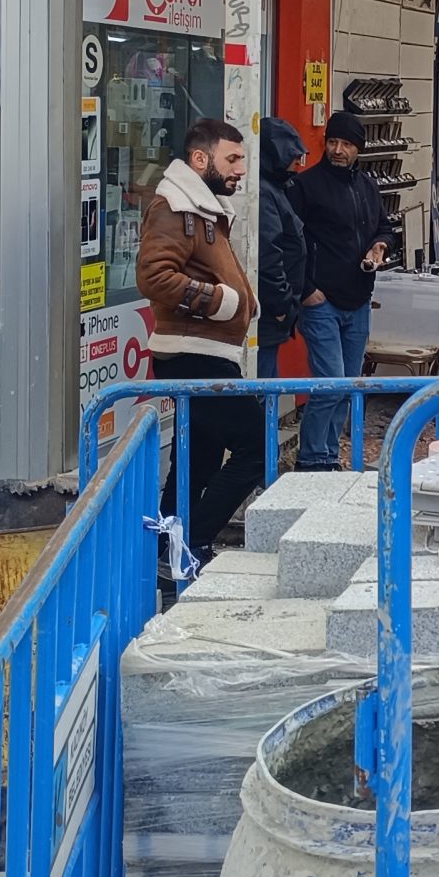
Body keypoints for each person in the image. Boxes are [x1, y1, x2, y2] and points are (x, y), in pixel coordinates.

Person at [137, 118, 263, 558]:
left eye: (241, 160)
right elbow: (154, 276)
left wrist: (237, 302)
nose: (240, 169)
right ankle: (190, 541)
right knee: (258, 446)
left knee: (197, 461)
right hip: (193, 354)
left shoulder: (197, 205)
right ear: (199, 158)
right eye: (232, 159)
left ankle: (167, 551)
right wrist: (223, 302)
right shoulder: (174, 206)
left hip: (203, 352)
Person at [291, 110, 399, 471]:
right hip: (320, 301)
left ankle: (329, 456)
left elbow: (384, 228)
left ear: (359, 149)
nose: (338, 149)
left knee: (347, 385)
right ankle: (311, 459)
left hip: (359, 300)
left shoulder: (367, 187)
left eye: (347, 144)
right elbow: (291, 242)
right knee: (331, 383)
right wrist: (307, 289)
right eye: (333, 142)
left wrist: (380, 247)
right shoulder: (306, 186)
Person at [255, 117, 311, 378]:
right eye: (293, 155)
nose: (297, 163)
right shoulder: (267, 193)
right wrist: (281, 307)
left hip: (273, 310)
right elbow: (268, 255)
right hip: (269, 312)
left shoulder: (275, 189)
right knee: (264, 388)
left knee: (267, 385)